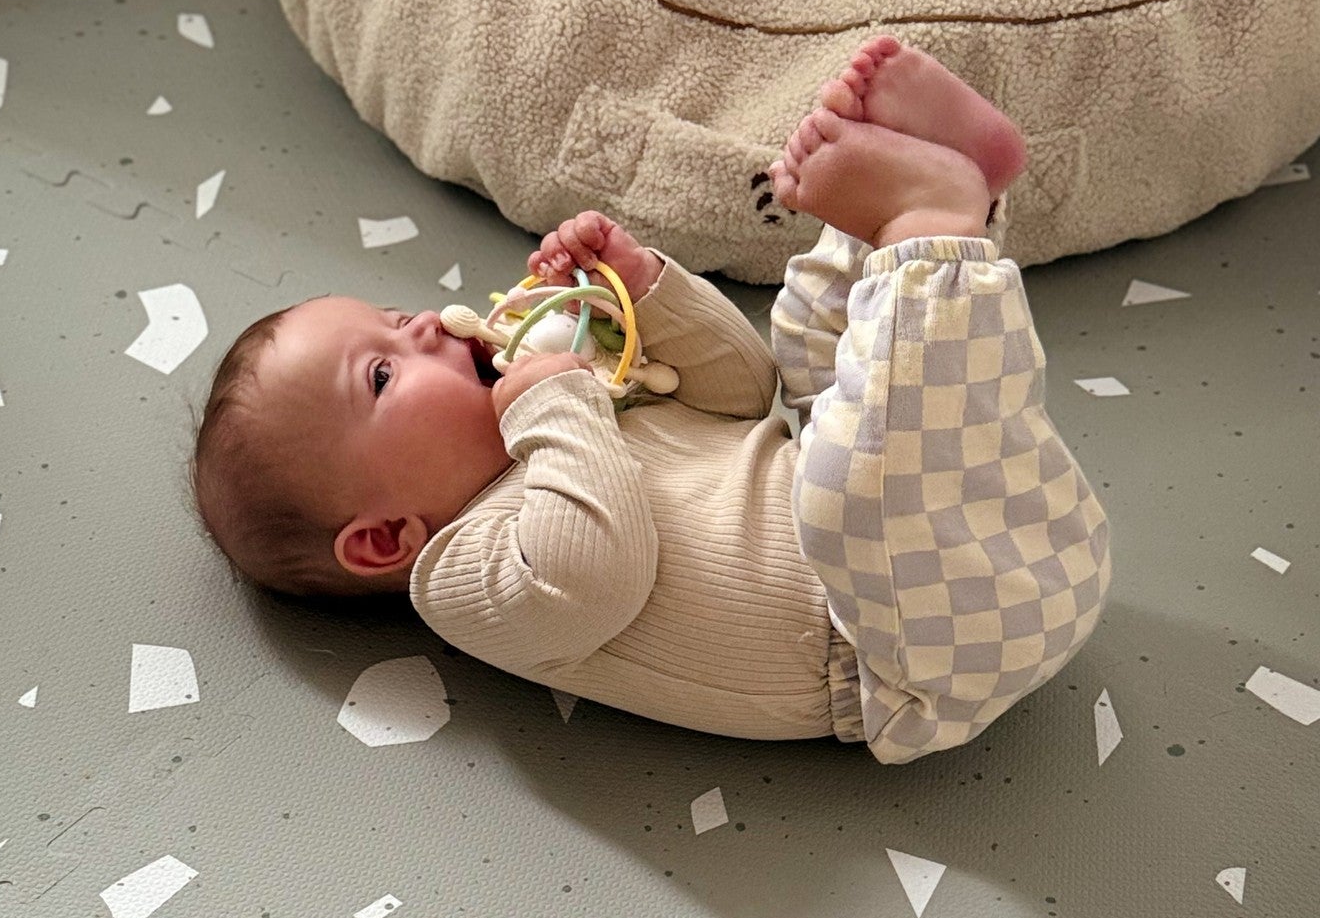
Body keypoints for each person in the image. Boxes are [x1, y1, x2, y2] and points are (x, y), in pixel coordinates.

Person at [188, 42, 1110, 763]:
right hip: (904, 643)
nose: (426, 325)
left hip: (949, 537)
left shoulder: (571, 419)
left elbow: (741, 396)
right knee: (849, 477)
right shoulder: (466, 577)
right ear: (386, 537)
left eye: (395, 318)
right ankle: (932, 224)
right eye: (382, 375)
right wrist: (557, 407)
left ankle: (920, 199)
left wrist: (645, 292)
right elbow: (595, 577)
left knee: (807, 357)